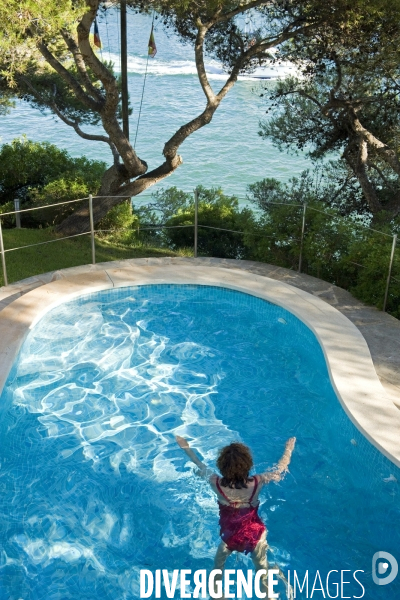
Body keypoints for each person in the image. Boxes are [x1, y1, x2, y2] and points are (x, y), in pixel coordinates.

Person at [175, 435, 296, 597]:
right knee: (262, 571)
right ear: (248, 465)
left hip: (229, 537)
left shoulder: (215, 482)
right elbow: (279, 471)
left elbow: (198, 464)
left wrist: (185, 447)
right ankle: (268, 595)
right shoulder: (256, 482)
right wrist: (288, 450)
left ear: (221, 466)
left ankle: (218, 595)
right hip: (255, 534)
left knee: (217, 568)